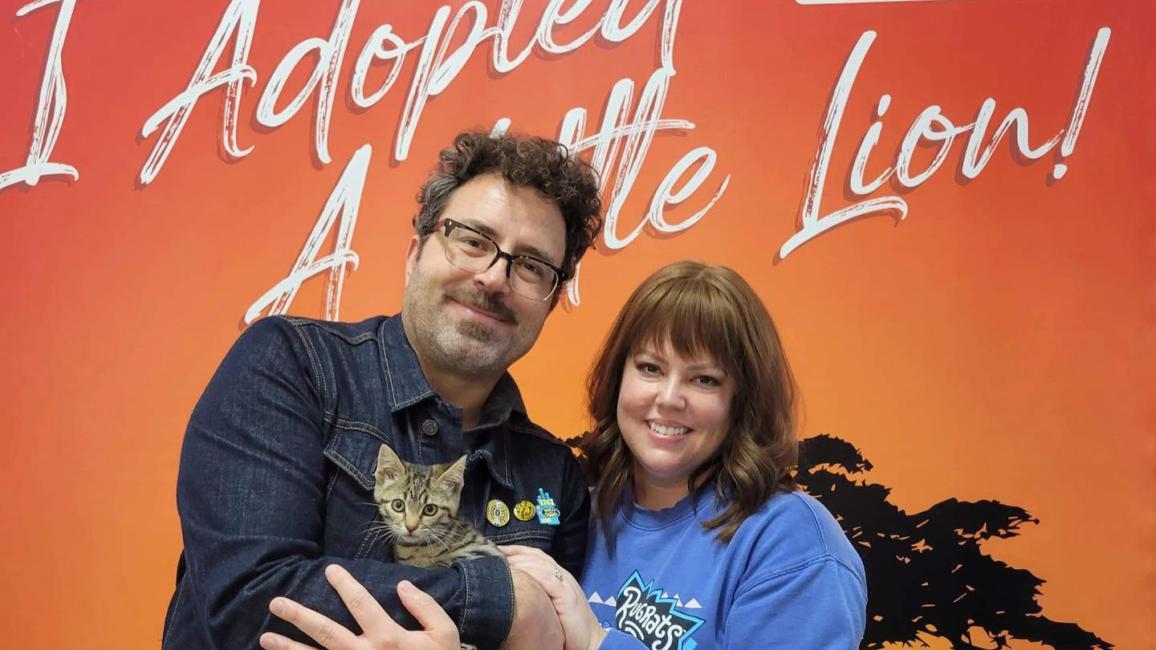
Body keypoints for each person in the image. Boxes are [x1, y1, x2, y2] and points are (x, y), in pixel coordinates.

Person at [262, 261, 868, 649]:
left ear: (744, 401)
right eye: (650, 368)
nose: (669, 399)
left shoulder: (793, 545)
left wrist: (598, 641)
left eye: (705, 380)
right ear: (618, 379)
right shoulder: (574, 499)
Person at [161, 130, 603, 650]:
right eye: (473, 240)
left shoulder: (556, 477)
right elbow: (251, 605)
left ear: (550, 303)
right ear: (415, 253)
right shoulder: (290, 366)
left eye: (531, 265)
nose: (494, 277)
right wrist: (509, 605)